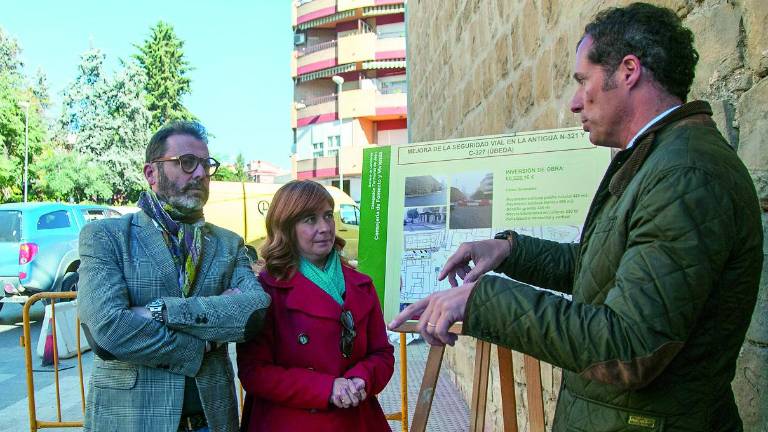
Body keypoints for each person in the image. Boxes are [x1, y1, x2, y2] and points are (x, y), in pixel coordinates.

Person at [390, 3, 763, 431]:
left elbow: (628, 346)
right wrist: (511, 250)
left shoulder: (684, 175)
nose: (572, 102)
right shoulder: (659, 159)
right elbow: (602, 272)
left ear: (627, 71)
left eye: (583, 81)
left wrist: (481, 300)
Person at [77, 121, 271, 432]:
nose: (200, 174)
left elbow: (254, 311)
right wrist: (203, 344)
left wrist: (161, 311)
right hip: (132, 419)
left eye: (206, 164)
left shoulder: (227, 243)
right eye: (186, 162)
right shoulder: (106, 237)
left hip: (210, 420)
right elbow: (107, 329)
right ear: (151, 173)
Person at [237, 180, 394, 432]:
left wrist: (360, 379)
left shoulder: (361, 284)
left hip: (357, 419)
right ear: (286, 227)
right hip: (290, 422)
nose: (324, 227)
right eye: (310, 219)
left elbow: (382, 353)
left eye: (328, 216)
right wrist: (326, 388)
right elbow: (253, 371)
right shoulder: (266, 291)